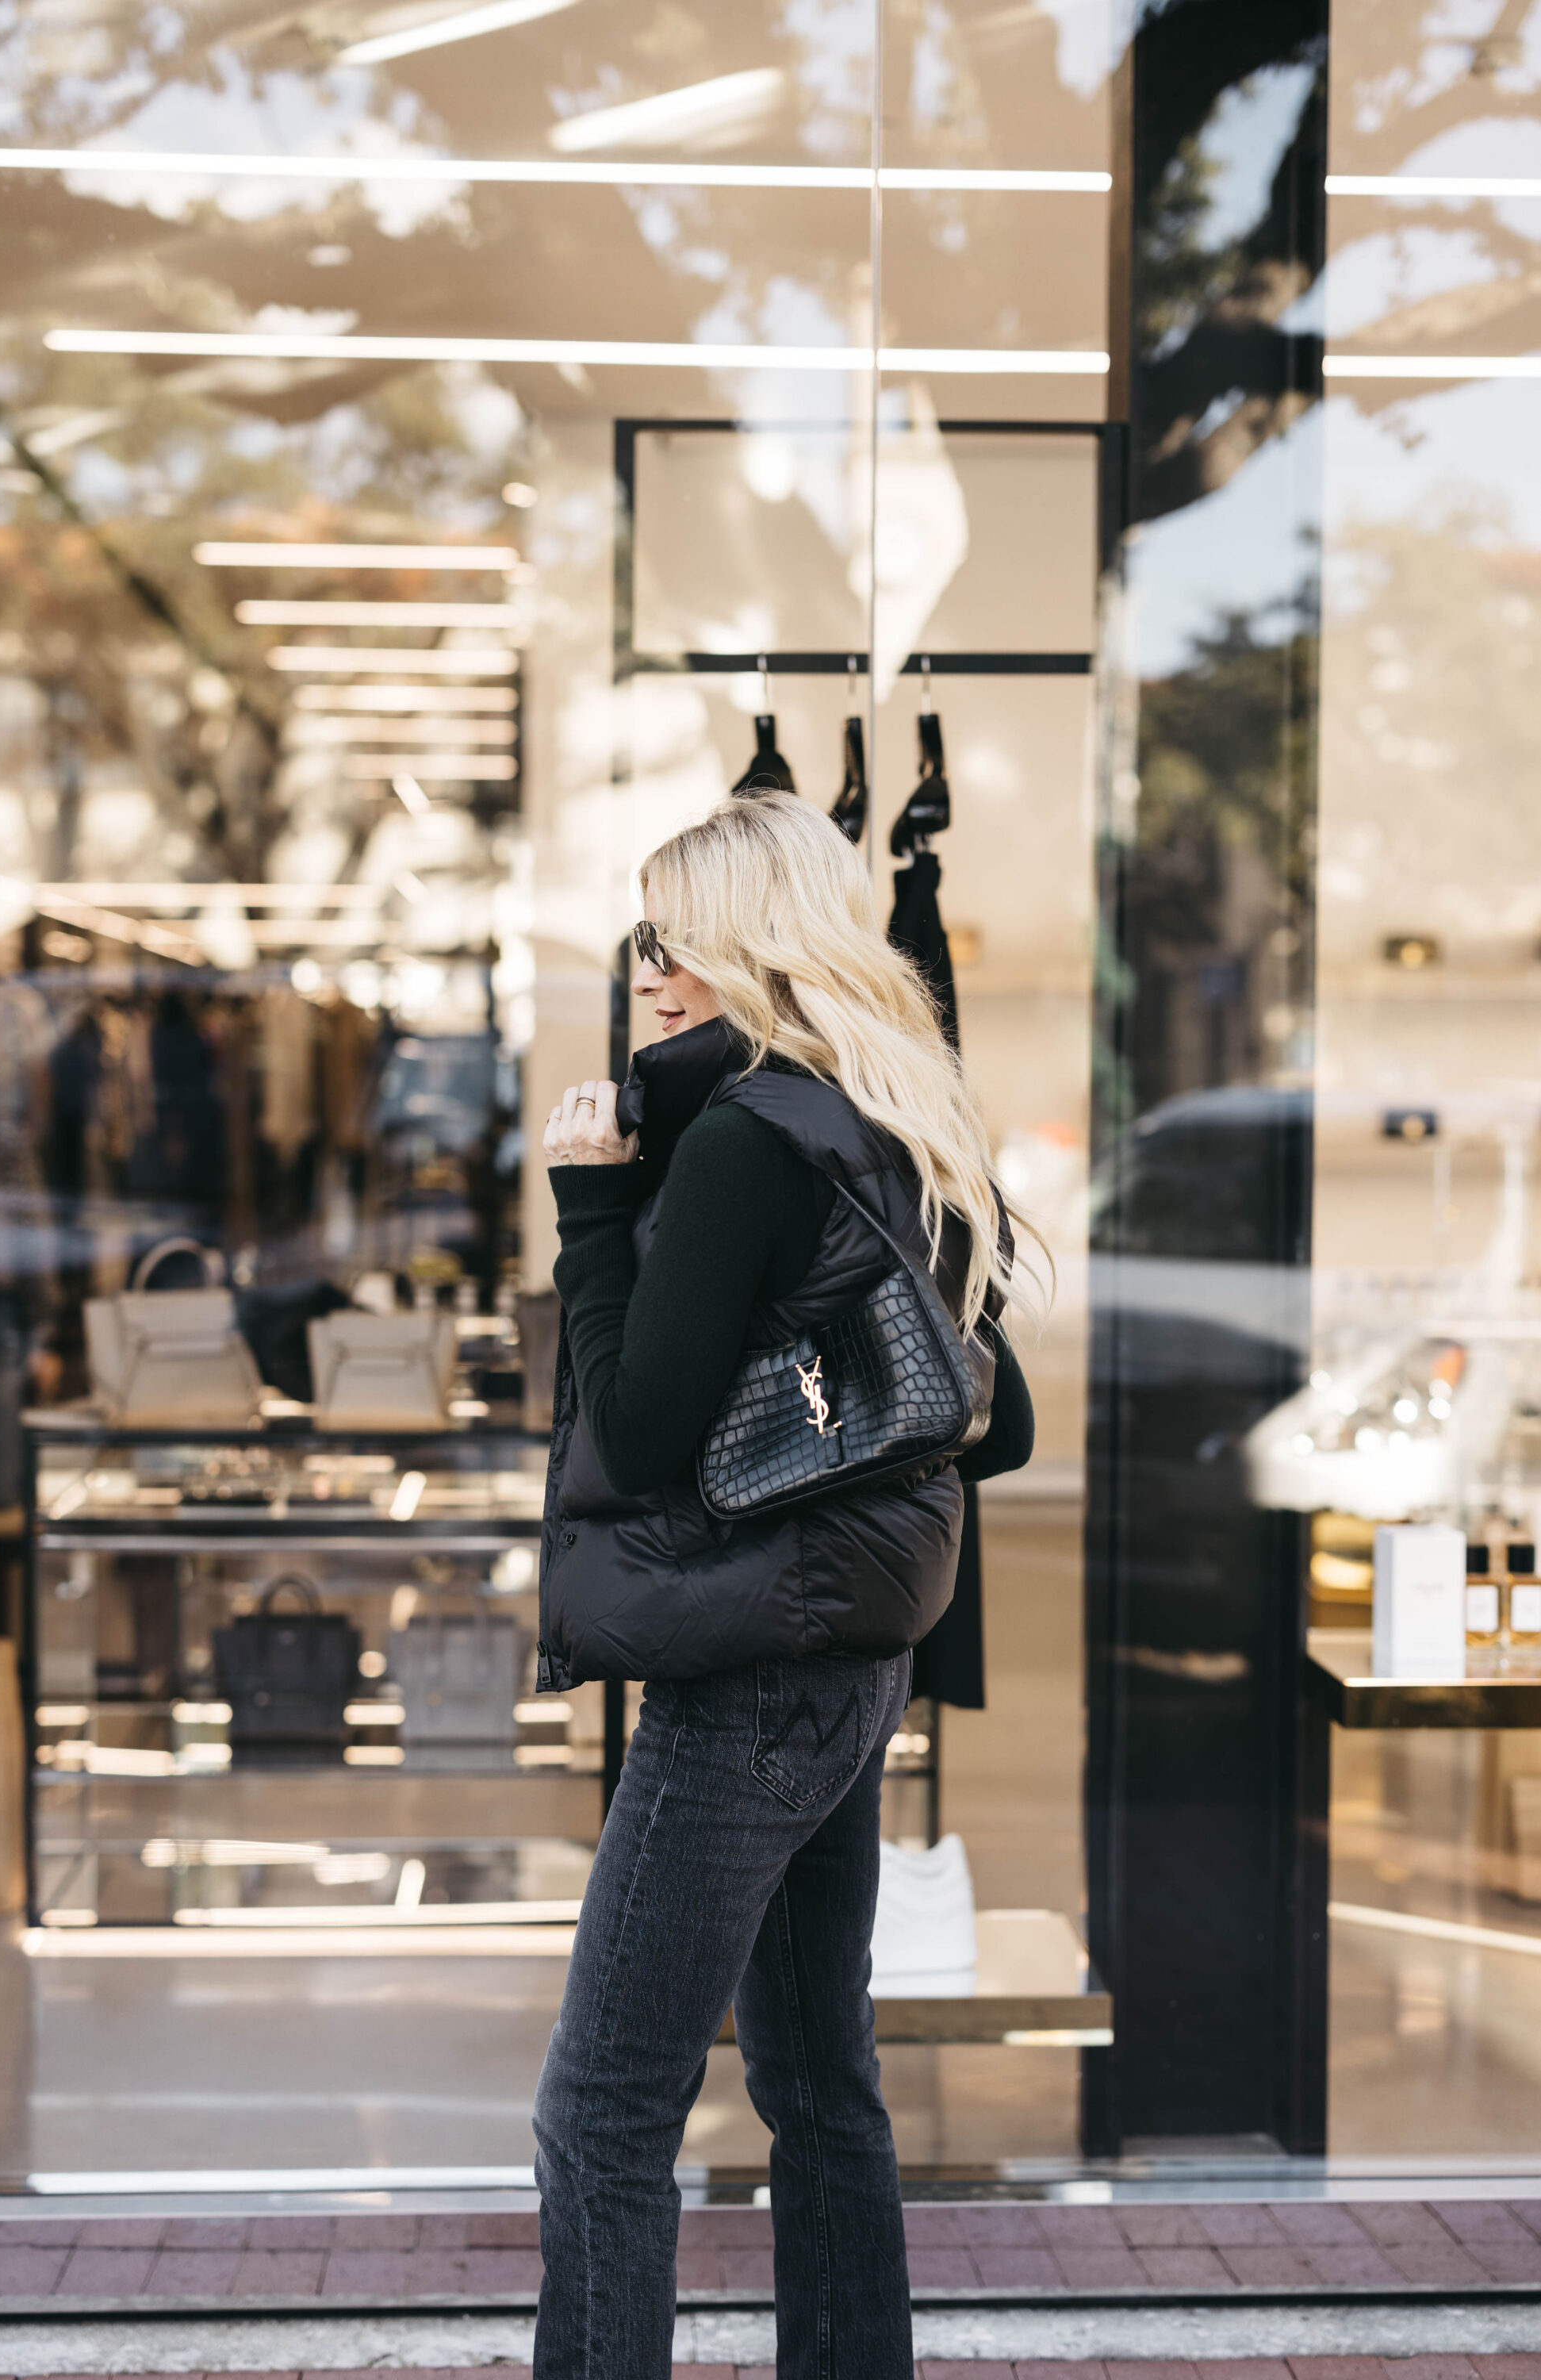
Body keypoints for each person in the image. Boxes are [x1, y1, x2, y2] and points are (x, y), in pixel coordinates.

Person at [531, 793, 1036, 2380]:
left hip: (751, 1665)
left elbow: (641, 1428)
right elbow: (992, 1414)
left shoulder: (747, 1140)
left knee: (603, 2108)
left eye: (675, 937)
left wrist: (592, 1209)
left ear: (751, 946)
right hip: (845, 1648)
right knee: (820, 2084)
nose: (650, 970)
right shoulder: (889, 1118)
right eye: (642, 938)